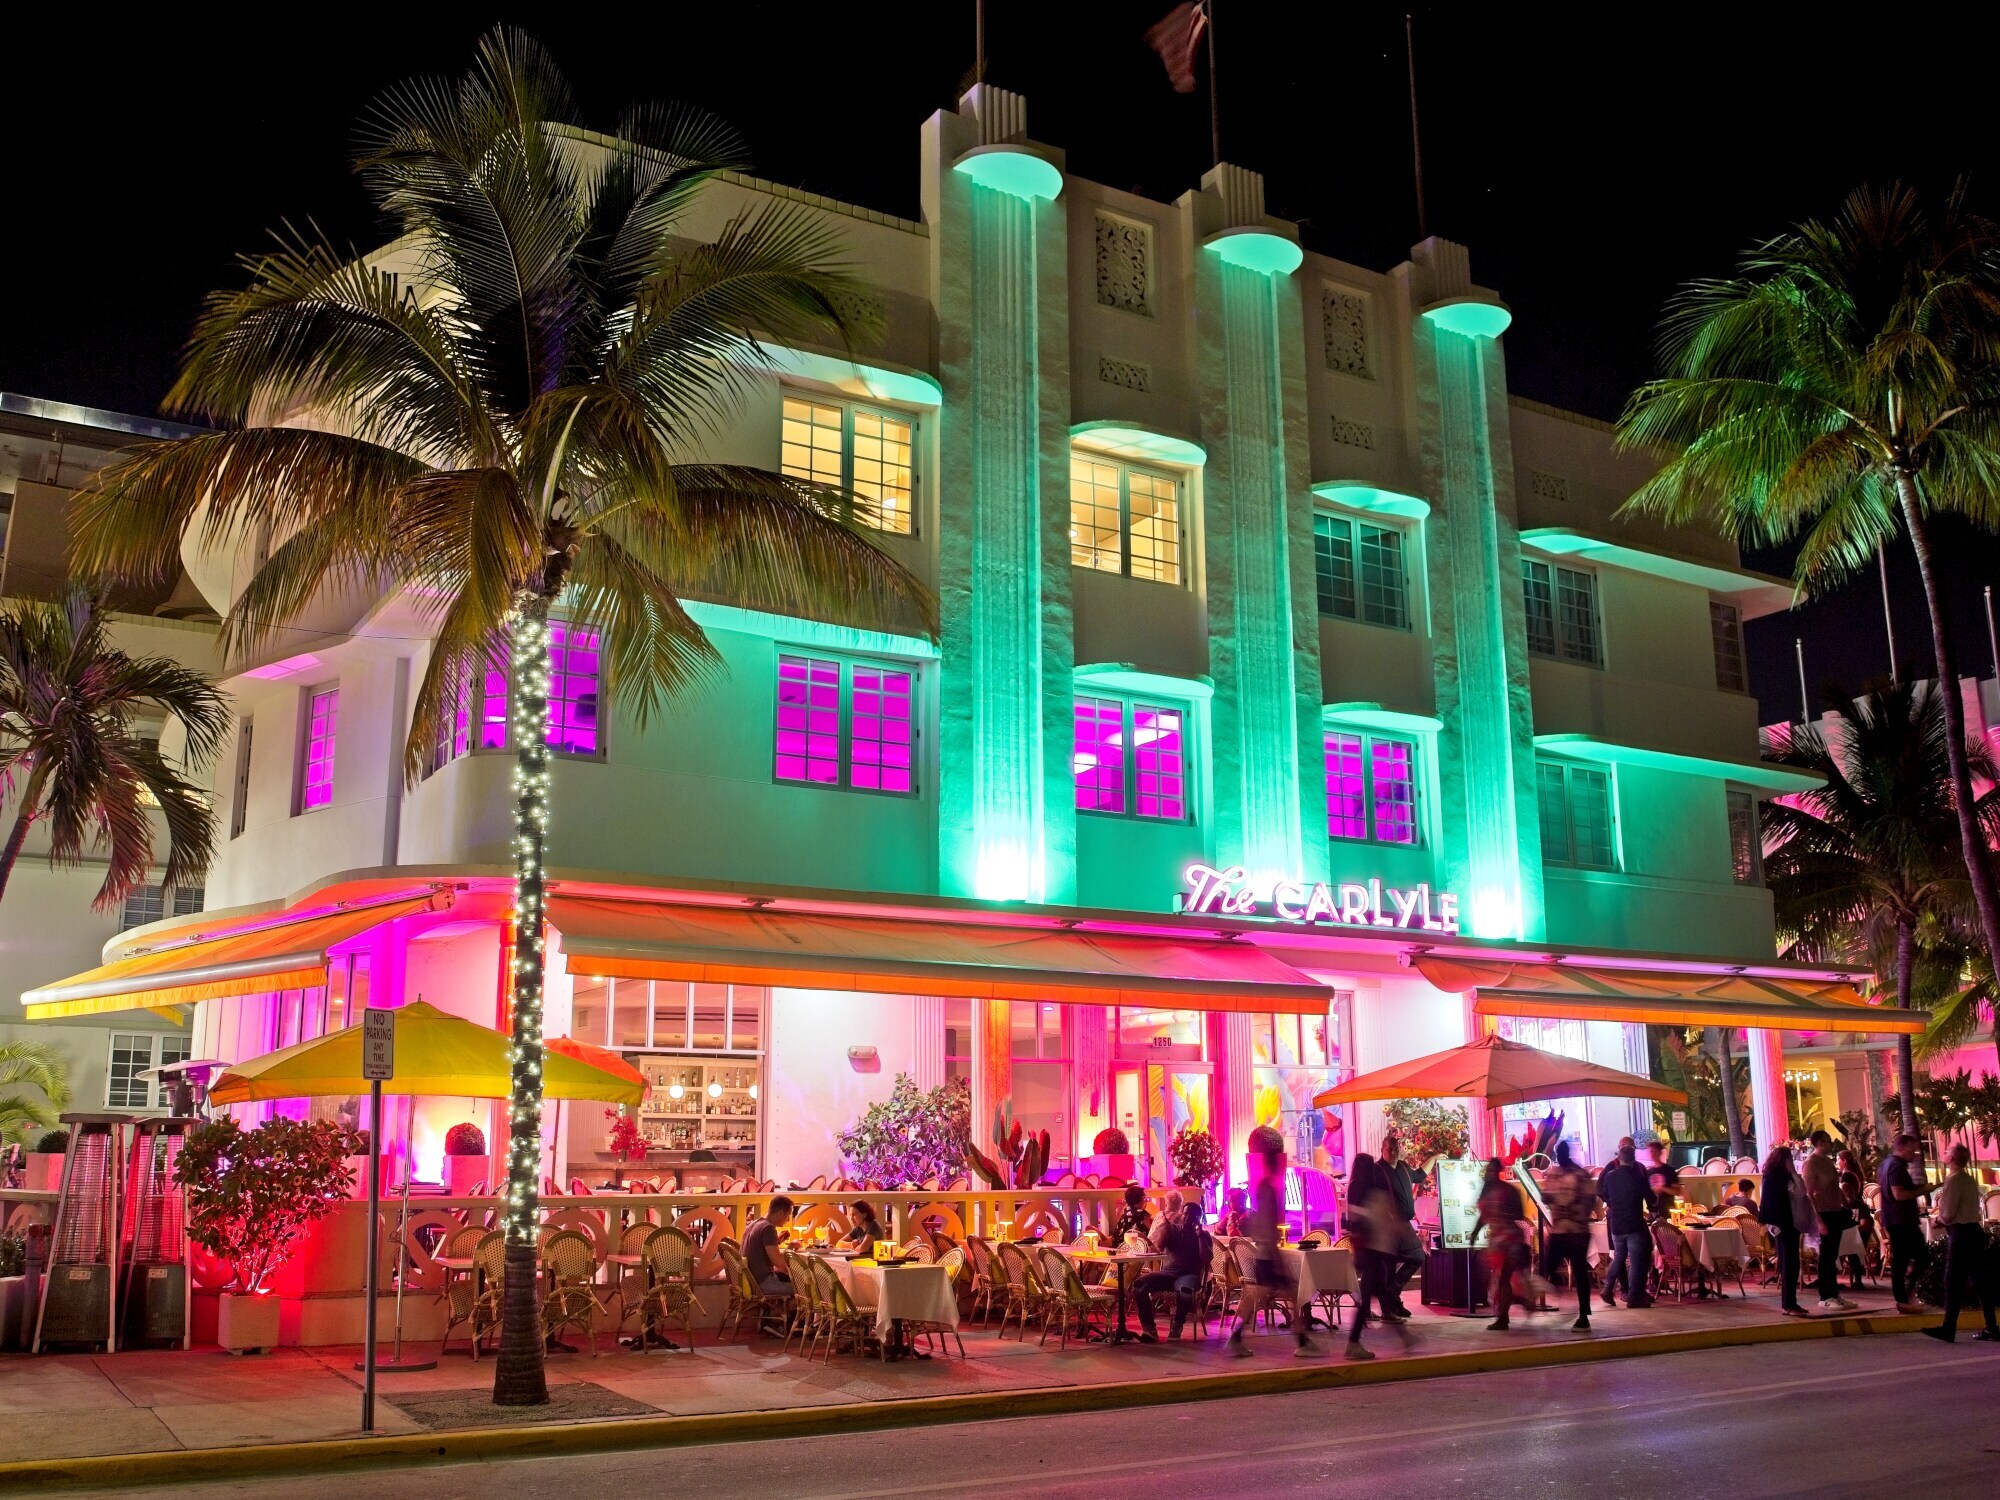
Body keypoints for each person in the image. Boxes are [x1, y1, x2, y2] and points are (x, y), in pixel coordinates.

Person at [1227, 1141, 1314, 1357]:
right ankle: (1302, 1342)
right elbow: (1266, 1224)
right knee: (1286, 1294)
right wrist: (1275, 1256)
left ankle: (1301, 1341)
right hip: (1268, 1254)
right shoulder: (1269, 1189)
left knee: (1263, 1296)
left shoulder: (1264, 1187)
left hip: (1265, 1253)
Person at [1922, 1145, 1998, 1344]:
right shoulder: (1968, 1179)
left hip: (1961, 1234)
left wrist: (1937, 1221)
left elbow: (1947, 1214)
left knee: (1953, 1281)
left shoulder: (1954, 1179)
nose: (1944, 1153)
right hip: (1973, 1232)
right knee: (1979, 1281)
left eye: (1947, 1151)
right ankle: (1991, 1326)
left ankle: (1948, 1327)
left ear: (1953, 1158)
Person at [1340, 1152, 1406, 1361]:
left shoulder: (1355, 1187)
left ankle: (1405, 1337)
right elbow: (1365, 1219)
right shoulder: (1365, 1188)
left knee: (1378, 1291)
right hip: (1371, 1250)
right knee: (1370, 1294)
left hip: (1366, 1250)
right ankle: (1353, 1343)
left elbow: (1354, 1218)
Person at [1540, 1141, 1599, 1330]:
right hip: (1559, 1230)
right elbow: (1546, 1196)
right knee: (1548, 1265)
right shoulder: (1555, 1173)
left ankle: (1583, 1315)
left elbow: (1590, 1200)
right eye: (1559, 1153)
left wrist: (1575, 1211)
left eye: (1562, 1153)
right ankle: (1556, 1288)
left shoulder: (1580, 1175)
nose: (1560, 1156)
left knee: (1580, 1273)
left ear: (1567, 1153)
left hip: (1576, 1232)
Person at [1135, 1200, 1212, 1342]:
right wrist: (1164, 1229)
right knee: (1139, 1284)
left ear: (1199, 1219)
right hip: (1168, 1273)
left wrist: (1200, 1236)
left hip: (1189, 1275)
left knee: (1185, 1290)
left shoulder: (1204, 1235)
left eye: (1193, 1216)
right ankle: (1149, 1329)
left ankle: (1177, 1325)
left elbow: (1207, 1259)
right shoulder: (1172, 1229)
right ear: (1181, 1214)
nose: (1188, 1218)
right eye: (1186, 1214)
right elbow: (1159, 1246)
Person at [1801, 1130, 1858, 1312]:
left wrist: (1846, 1204)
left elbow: (1836, 1187)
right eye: (1828, 1141)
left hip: (1835, 1211)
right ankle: (1825, 1296)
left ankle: (1834, 1293)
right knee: (1826, 1256)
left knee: (1833, 1254)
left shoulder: (1827, 1161)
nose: (1831, 1144)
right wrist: (1818, 1220)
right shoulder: (1811, 1163)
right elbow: (1808, 1194)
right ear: (1819, 1142)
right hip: (1823, 1213)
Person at [1597, 1137, 1657, 1308]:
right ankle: (1634, 1297)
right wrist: (1654, 1207)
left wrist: (1613, 1204)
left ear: (1620, 1157)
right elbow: (1650, 1198)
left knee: (1619, 1256)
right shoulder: (1638, 1176)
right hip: (1634, 1223)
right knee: (1637, 1260)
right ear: (1633, 1159)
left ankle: (1607, 1289)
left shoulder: (1610, 1176)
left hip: (1616, 1224)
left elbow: (1604, 1193)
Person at [1878, 1134, 1934, 1313]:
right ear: (1902, 1148)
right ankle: (1903, 1295)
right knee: (1917, 1257)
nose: (1914, 1154)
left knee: (1903, 1260)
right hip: (1901, 1220)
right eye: (1912, 1150)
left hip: (1897, 1219)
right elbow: (1899, 1194)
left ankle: (1904, 1295)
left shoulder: (1887, 1164)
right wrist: (1923, 1190)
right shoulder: (1896, 1167)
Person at [1476, 1157, 1529, 1330]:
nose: (1489, 1173)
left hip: (1508, 1240)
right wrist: (1475, 1233)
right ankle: (1515, 1303)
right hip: (1499, 1240)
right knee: (1501, 1278)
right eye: (1488, 1170)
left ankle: (1503, 1317)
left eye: (1492, 1170)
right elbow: (1484, 1216)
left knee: (1503, 1278)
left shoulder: (1505, 1191)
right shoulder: (1494, 1190)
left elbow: (1518, 1215)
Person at [1759, 1146, 1810, 1316]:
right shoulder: (1780, 1178)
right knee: (1790, 1264)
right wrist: (1794, 1172)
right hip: (1785, 1224)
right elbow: (1801, 1191)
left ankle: (1789, 1302)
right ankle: (1789, 1303)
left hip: (1781, 1224)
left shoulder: (1770, 1177)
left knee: (1789, 1263)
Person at [1377, 1134, 1424, 1316]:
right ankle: (1392, 1302)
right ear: (1382, 1150)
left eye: (1396, 1149)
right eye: (1389, 1149)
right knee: (1398, 1262)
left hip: (1403, 1223)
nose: (1393, 1153)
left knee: (1416, 1257)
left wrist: (1435, 1158)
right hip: (1389, 1226)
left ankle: (1392, 1297)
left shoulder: (1403, 1167)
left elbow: (1419, 1176)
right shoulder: (1377, 1170)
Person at [1837, 1149, 1878, 1285]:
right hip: (1847, 1234)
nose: (1837, 1163)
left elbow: (1864, 1225)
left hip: (1857, 1236)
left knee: (1852, 1245)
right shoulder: (1855, 1174)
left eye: (1838, 1160)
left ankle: (1857, 1279)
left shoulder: (1859, 1206)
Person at [744, 1194, 796, 1299]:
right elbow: (779, 1262)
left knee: (793, 1280)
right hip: (762, 1283)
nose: (788, 1220)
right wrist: (791, 1247)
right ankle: (782, 1309)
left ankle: (784, 1308)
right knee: (806, 1290)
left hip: (752, 1280)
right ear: (780, 1213)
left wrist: (778, 1241)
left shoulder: (754, 1223)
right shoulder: (768, 1228)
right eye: (788, 1216)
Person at [1643, 1140, 1681, 1215]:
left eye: (1654, 1151)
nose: (1652, 1154)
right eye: (1650, 1151)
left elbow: (1677, 1191)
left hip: (1668, 1210)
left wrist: (1662, 1188)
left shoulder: (1669, 1170)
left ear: (1660, 1152)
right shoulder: (1648, 1172)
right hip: (1653, 1212)